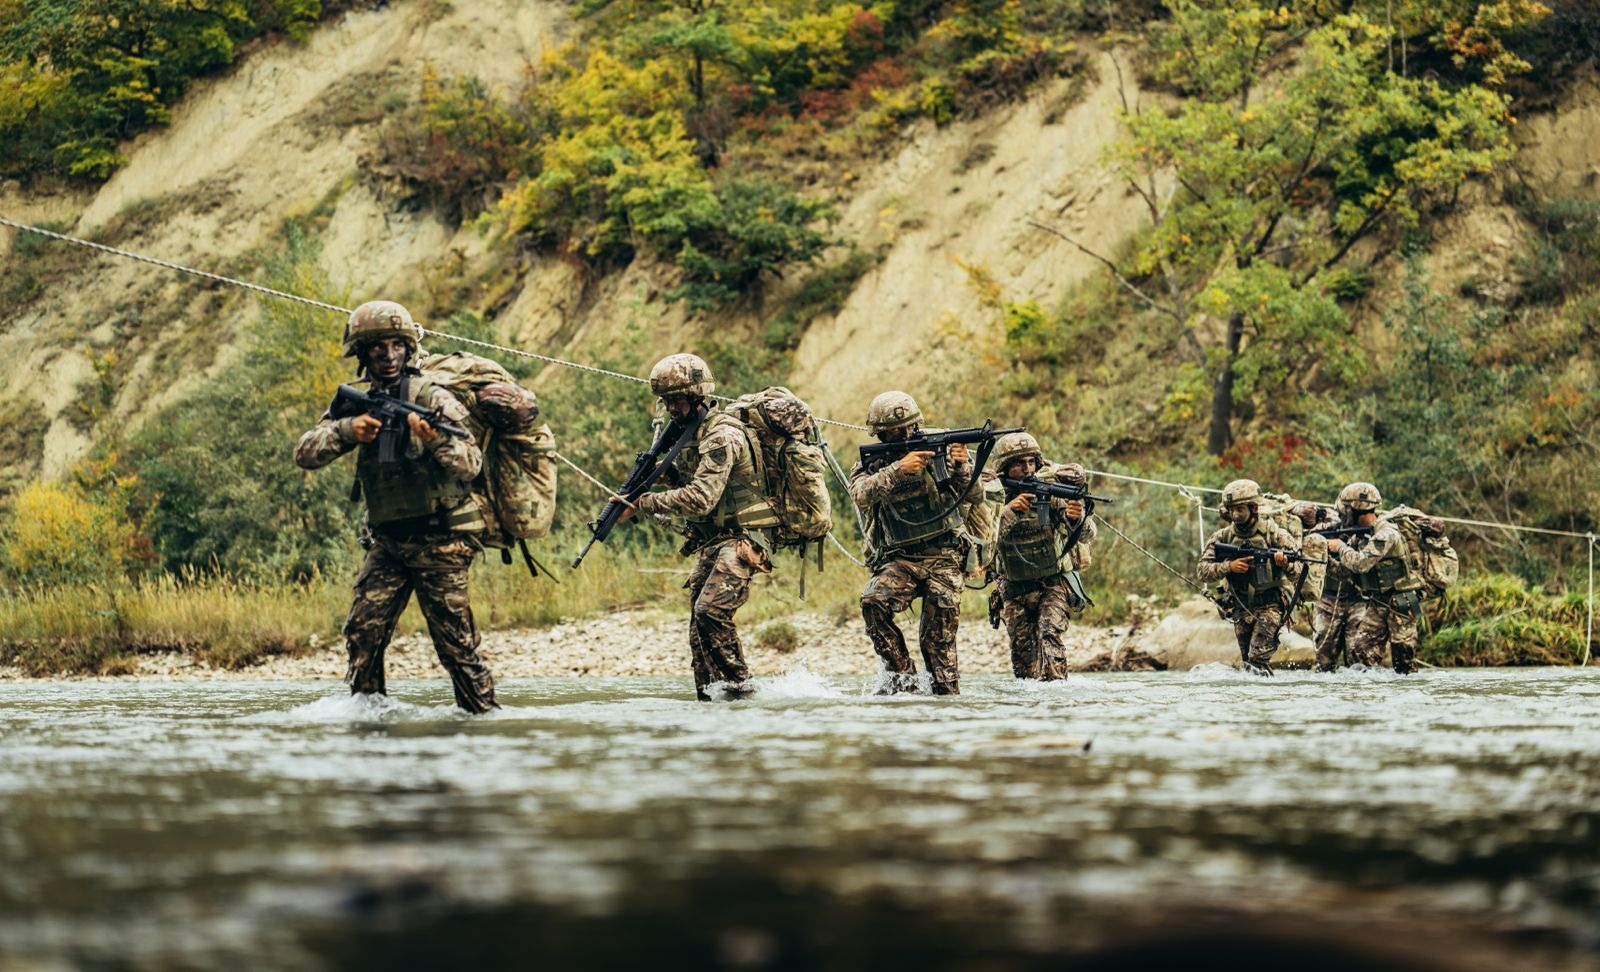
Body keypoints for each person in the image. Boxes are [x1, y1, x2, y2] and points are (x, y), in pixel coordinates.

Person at [294, 300, 499, 712]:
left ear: (407, 349)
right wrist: (347, 430)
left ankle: (483, 723)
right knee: (362, 634)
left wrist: (433, 437)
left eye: (395, 346)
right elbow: (305, 452)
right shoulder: (356, 401)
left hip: (441, 540)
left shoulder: (432, 397)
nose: (388, 356)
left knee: (456, 647)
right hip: (387, 541)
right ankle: (369, 720)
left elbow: (470, 464)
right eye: (377, 348)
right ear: (362, 354)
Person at [612, 354, 778, 701]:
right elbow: (693, 476)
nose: (670, 407)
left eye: (676, 399)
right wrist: (659, 473)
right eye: (666, 400)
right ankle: (709, 700)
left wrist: (643, 503)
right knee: (696, 632)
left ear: (697, 396)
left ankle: (743, 692)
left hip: (744, 537)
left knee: (711, 611)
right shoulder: (690, 432)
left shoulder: (721, 435)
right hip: (713, 540)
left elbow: (702, 497)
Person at [849, 391, 985, 695]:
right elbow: (860, 495)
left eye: (911, 427)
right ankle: (903, 677)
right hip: (900, 559)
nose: (906, 434)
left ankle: (943, 707)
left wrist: (961, 467)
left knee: (938, 646)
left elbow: (977, 496)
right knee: (873, 602)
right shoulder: (871, 464)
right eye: (897, 431)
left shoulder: (942, 449)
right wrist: (899, 470)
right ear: (881, 434)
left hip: (945, 556)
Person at [987, 432, 1098, 681]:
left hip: (1054, 583)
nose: (1027, 469)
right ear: (1004, 467)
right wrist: (1011, 511)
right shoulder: (994, 497)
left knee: (1050, 634)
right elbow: (984, 538)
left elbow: (1088, 535)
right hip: (1014, 588)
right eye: (1018, 463)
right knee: (1023, 661)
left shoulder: (1050, 492)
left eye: (1030, 462)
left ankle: (1058, 692)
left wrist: (1075, 518)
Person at [1314, 481, 1420, 674]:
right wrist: (1322, 556)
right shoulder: (1359, 536)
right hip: (1376, 603)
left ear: (1357, 508)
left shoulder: (1386, 533)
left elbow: (1361, 563)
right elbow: (1345, 572)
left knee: (1404, 659)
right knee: (1361, 653)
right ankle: (1368, 695)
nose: (1342, 514)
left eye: (1346, 509)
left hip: (1401, 602)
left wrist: (1340, 547)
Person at [1196, 479, 1299, 676]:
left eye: (1240, 510)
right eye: (1231, 510)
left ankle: (1267, 702)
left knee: (1257, 660)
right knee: (1247, 663)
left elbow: (1299, 571)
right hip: (1240, 606)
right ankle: (1254, 700)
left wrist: (1285, 564)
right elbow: (1202, 571)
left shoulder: (1276, 535)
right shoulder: (1222, 537)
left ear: (1254, 508)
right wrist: (1229, 566)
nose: (1235, 515)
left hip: (1271, 605)